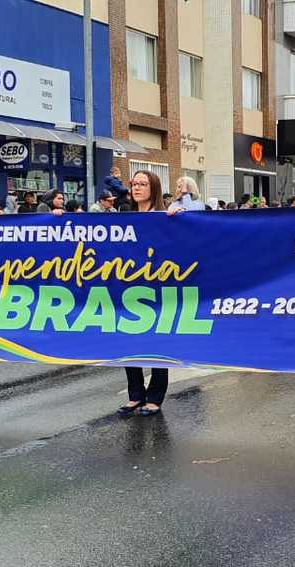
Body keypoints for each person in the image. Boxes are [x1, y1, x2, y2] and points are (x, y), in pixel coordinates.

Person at [117, 170, 171, 417]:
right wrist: (58, 218)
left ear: (154, 188)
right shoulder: (123, 217)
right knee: (129, 341)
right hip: (129, 286)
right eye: (134, 183)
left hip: (158, 287)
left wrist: (179, 217)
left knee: (158, 343)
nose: (137, 188)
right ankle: (135, 395)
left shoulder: (165, 215)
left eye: (143, 184)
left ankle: (155, 396)